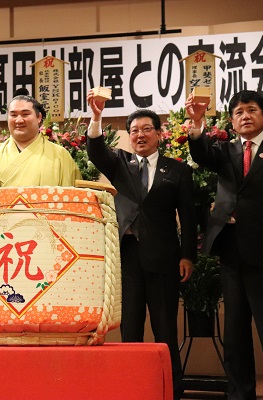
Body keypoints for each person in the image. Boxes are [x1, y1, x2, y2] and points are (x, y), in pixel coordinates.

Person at [186, 89, 263, 400]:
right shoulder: (224, 151)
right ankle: (239, 393)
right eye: (239, 112)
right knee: (235, 332)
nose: (245, 116)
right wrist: (197, 124)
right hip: (231, 251)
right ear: (232, 120)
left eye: (251, 110)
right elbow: (200, 154)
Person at [86, 89, 197, 400]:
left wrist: (188, 255)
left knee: (165, 332)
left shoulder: (177, 170)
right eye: (134, 131)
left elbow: (188, 217)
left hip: (164, 259)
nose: (140, 135)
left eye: (147, 129)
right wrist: (97, 117)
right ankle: (132, 390)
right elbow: (95, 152)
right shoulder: (120, 162)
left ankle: (171, 390)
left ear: (159, 134)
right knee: (130, 331)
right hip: (127, 257)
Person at [0, 88, 81, 187]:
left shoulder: (60, 155)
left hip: (45, 220)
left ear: (39, 117)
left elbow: (74, 197)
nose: (19, 120)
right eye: (13, 115)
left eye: (25, 114)